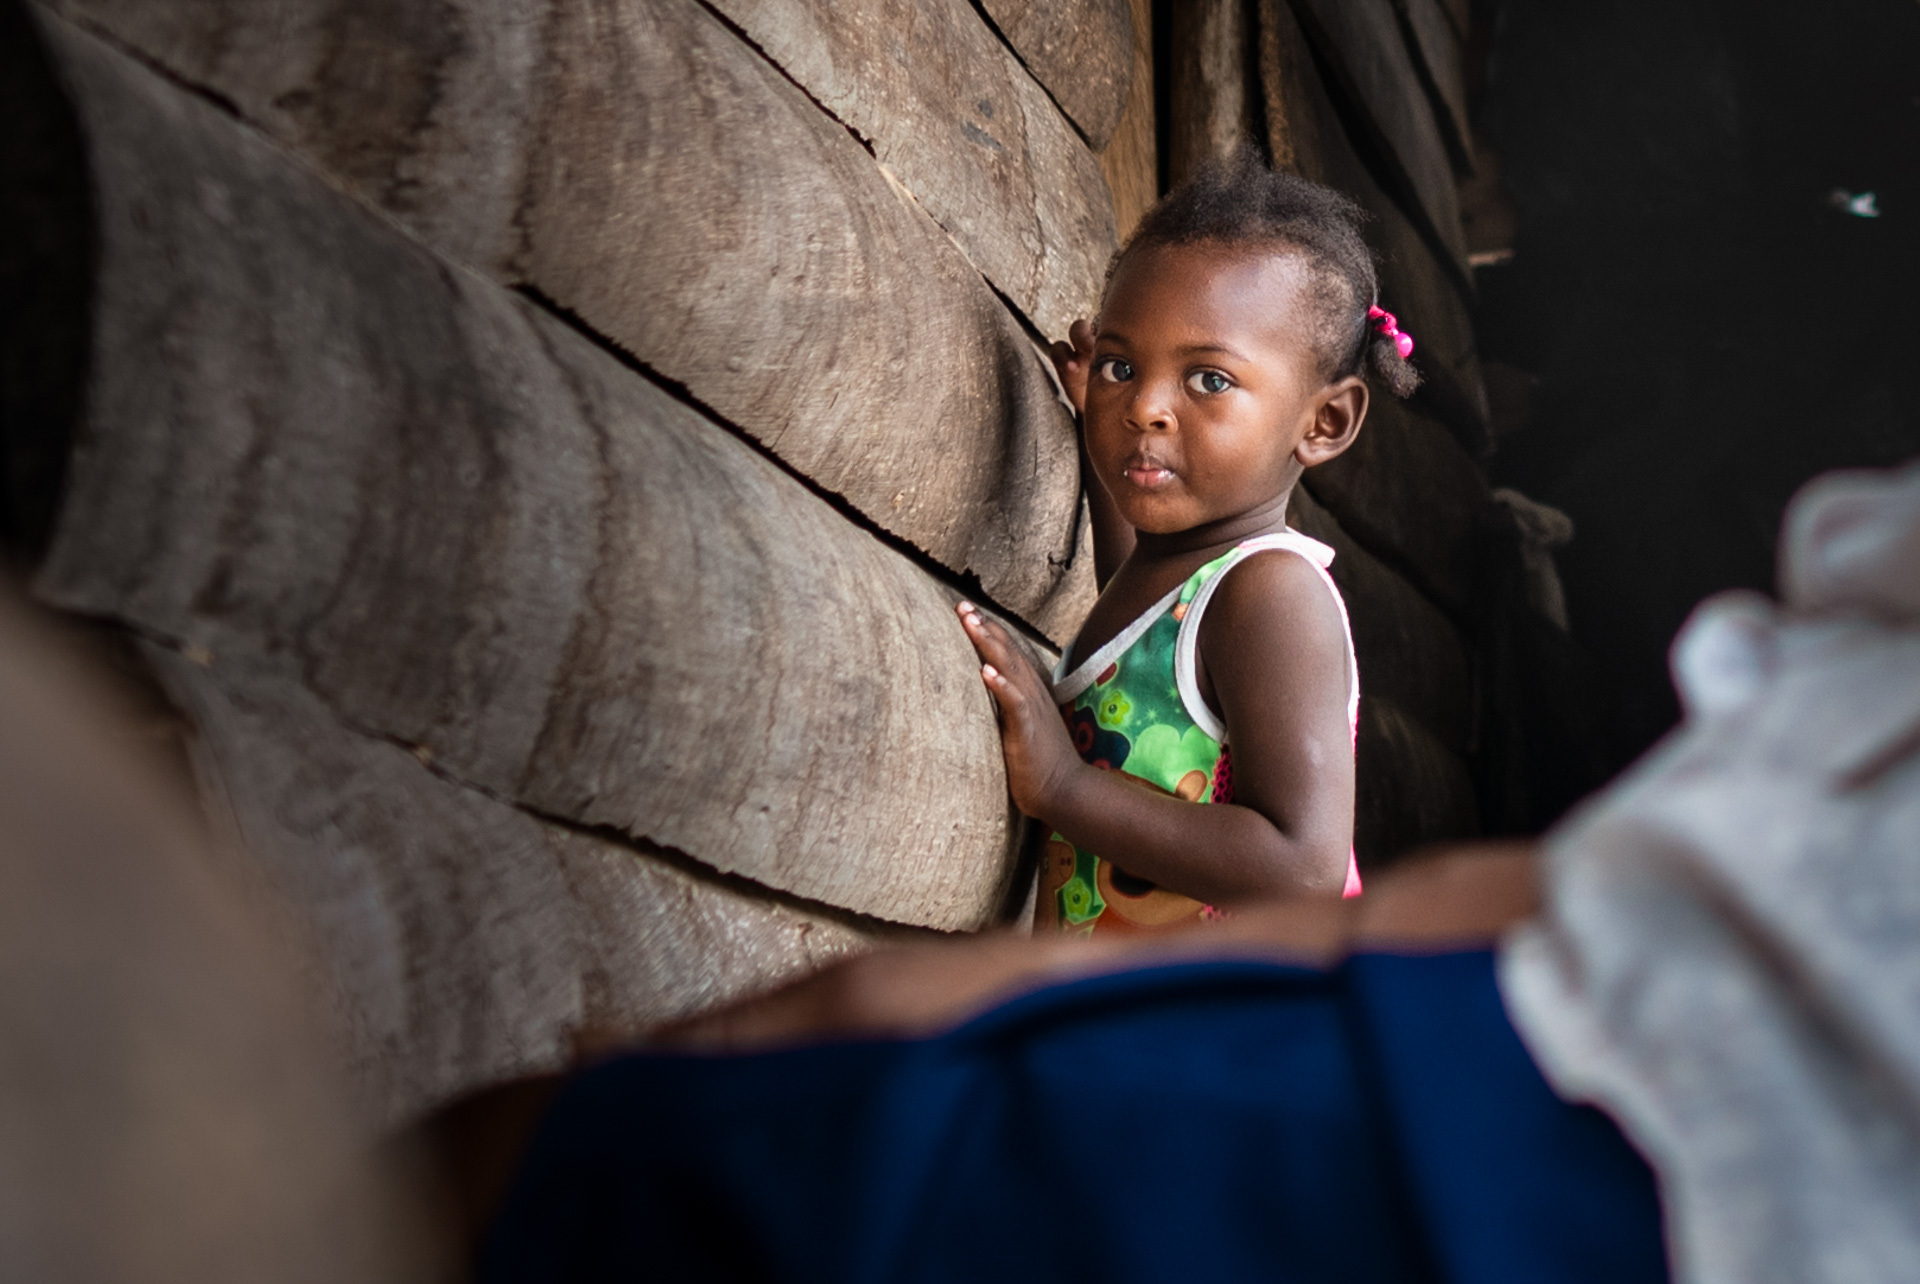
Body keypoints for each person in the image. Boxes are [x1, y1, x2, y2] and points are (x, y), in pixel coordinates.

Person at [954, 151, 1422, 933]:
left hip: (1228, 1033)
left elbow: (1303, 865)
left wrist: (1064, 788)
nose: (1145, 409)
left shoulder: (1271, 595)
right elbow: (1134, 615)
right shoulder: (1180, 573)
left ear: (1324, 422)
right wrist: (1088, 419)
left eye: (1208, 379)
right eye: (1122, 366)